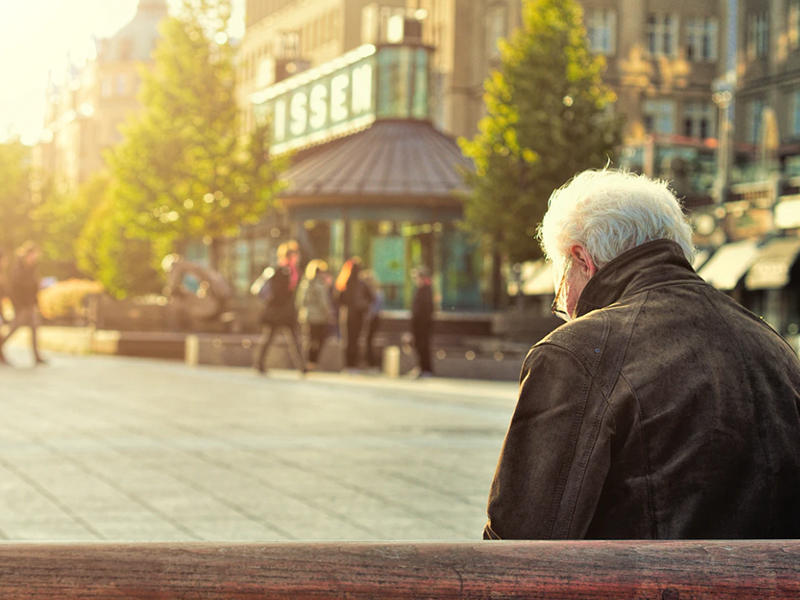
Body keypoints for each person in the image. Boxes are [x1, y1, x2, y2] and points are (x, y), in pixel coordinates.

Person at [484, 169, 800, 540]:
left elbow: (521, 542)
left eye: (560, 294)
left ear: (581, 260)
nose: (566, 310)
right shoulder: (772, 344)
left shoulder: (576, 352)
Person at [252, 241, 305, 376]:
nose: (298, 257)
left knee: (293, 339)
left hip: (286, 312)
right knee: (271, 338)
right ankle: (259, 364)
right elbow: (278, 292)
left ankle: (302, 366)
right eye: (295, 254)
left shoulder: (292, 271)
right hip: (278, 312)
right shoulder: (282, 271)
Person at [0, 242, 46, 366]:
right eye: (34, 255)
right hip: (21, 305)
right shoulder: (18, 267)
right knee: (13, 329)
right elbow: (16, 287)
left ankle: (36, 356)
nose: (35, 258)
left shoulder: (31, 267)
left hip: (29, 305)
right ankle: (0, 348)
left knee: (35, 328)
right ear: (28, 254)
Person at [296, 259, 334, 370]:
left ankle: (310, 362)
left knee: (311, 339)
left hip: (307, 315)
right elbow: (324, 302)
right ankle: (311, 362)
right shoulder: (318, 284)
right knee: (317, 340)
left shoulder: (305, 283)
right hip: (318, 316)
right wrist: (329, 312)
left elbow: (300, 301)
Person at [337, 257, 374, 373]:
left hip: (348, 314)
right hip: (358, 315)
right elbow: (372, 297)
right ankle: (354, 363)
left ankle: (349, 364)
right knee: (356, 339)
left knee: (348, 339)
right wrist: (364, 306)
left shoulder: (344, 282)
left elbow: (337, 299)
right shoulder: (361, 283)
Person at [410, 265, 434, 378]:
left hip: (423, 324)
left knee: (423, 345)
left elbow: (425, 309)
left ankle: (426, 369)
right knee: (419, 345)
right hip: (419, 323)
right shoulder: (421, 290)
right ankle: (422, 367)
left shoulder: (426, 290)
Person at [361, 270, 384, 370]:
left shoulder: (375, 293)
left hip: (372, 318)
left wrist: (367, 316)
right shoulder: (377, 292)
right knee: (368, 340)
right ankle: (369, 361)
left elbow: (374, 308)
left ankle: (371, 362)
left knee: (369, 340)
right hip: (374, 318)